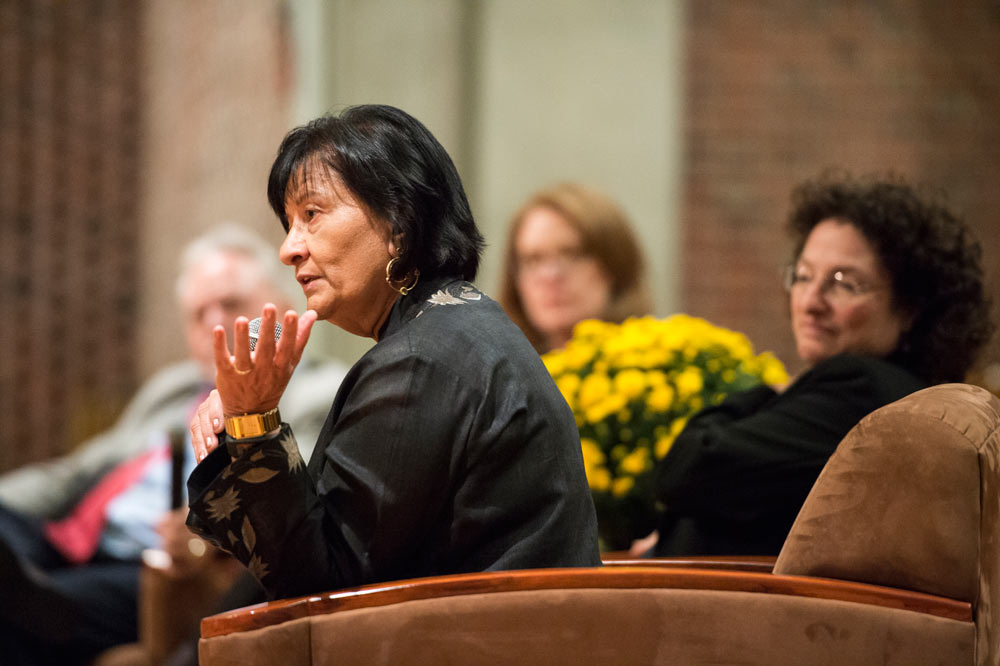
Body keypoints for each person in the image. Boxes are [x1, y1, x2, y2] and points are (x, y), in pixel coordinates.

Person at [186, 104, 601, 602]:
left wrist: (253, 422)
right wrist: (243, 428)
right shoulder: (452, 328)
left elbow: (320, 586)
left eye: (312, 214)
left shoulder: (421, 361)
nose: (289, 248)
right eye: (288, 222)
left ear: (398, 223)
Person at [0, 224, 346, 664]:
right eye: (198, 313)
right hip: (69, 538)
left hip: (151, 565)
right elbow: (76, 473)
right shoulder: (173, 388)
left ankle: (38, 603)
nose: (214, 323)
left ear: (282, 309)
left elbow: (290, 497)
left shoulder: (319, 391)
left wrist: (204, 527)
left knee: (20, 616)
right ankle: (29, 595)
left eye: (231, 305)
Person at [651, 174, 994, 557]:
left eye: (844, 282)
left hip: (724, 608)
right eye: (803, 276)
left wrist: (768, 391)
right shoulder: (894, 392)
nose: (811, 301)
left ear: (911, 307)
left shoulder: (860, 389)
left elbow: (689, 469)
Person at [498, 182, 653, 353]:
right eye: (533, 260)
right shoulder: (487, 374)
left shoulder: (664, 369)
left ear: (614, 264)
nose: (550, 275)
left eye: (571, 254)